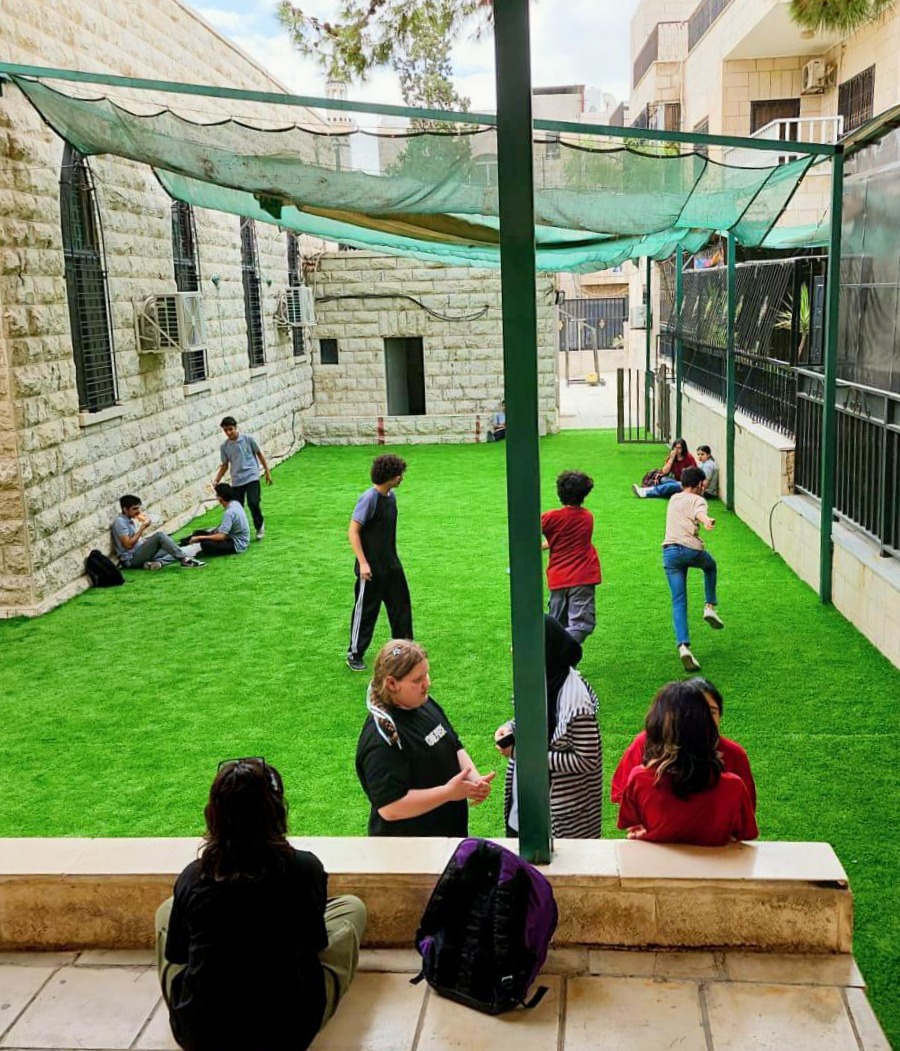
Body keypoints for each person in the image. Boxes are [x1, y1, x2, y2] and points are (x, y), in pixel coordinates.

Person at [155, 758, 366, 1051]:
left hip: (202, 1037)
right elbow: (316, 943)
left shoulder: (193, 877)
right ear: (276, 812)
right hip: (287, 1034)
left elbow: (178, 955)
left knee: (166, 911)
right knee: (352, 908)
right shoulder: (304, 869)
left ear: (214, 814)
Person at [356, 639, 495, 836]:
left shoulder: (422, 703)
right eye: (417, 680)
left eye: (426, 674)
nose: (427, 683)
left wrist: (474, 780)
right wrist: (448, 793)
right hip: (410, 850)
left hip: (446, 837)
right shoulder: (382, 739)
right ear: (392, 683)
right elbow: (390, 808)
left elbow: (453, 744)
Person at [494, 616, 602, 839]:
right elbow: (536, 718)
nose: (513, 650)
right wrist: (510, 727)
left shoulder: (577, 703)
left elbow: (587, 759)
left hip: (561, 820)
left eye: (522, 644)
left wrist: (522, 755)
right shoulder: (541, 679)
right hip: (527, 804)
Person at [617, 680, 758, 846]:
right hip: (715, 868)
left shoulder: (639, 778)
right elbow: (745, 831)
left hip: (654, 869)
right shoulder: (734, 786)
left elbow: (628, 822)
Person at [346, 455, 412, 672]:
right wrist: (363, 564)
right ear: (388, 476)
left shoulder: (391, 497)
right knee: (366, 611)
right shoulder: (369, 498)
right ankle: (355, 653)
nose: (401, 478)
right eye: (398, 474)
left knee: (401, 608)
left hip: (391, 565)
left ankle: (404, 651)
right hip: (371, 570)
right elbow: (353, 531)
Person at [662, 466, 724, 672]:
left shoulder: (674, 498)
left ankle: (683, 647)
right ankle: (709, 607)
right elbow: (699, 512)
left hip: (670, 553)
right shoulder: (699, 499)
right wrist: (707, 521)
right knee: (711, 566)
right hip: (690, 549)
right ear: (699, 484)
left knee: (678, 601)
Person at [541, 471, 602, 643]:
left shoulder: (550, 518)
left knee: (557, 624)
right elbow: (569, 539)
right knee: (581, 625)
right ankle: (553, 656)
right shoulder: (587, 517)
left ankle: (559, 664)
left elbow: (557, 539)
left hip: (558, 577)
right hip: (582, 576)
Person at [213, 416, 271, 541]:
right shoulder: (224, 447)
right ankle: (234, 532)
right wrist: (217, 479)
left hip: (251, 477)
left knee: (253, 502)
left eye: (230, 429)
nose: (228, 433)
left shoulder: (248, 439)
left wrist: (267, 471)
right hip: (237, 480)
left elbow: (259, 454)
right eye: (225, 430)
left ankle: (259, 525)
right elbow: (224, 465)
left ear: (235, 427)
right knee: (235, 507)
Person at [111, 495, 205, 570]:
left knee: (172, 547)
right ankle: (185, 560)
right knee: (160, 536)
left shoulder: (129, 520)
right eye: (134, 509)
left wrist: (144, 541)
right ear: (125, 509)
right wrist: (142, 528)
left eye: (138, 508)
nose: (138, 511)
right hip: (132, 559)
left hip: (140, 551)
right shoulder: (120, 522)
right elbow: (128, 545)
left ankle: (158, 563)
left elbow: (135, 540)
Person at [180, 483, 250, 557]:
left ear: (220, 497)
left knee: (206, 544)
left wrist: (199, 537)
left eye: (217, 494)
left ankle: (186, 551)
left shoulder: (229, 512)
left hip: (237, 544)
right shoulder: (235, 503)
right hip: (232, 537)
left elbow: (221, 536)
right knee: (198, 533)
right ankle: (182, 544)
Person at [632, 437, 698, 498]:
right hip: (677, 482)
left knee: (670, 486)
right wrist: (671, 459)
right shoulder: (672, 457)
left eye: (679, 448)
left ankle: (645, 492)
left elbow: (695, 474)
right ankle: (669, 490)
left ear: (683, 449)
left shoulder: (689, 458)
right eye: (675, 447)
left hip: (688, 484)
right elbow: (664, 471)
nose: (677, 450)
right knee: (663, 479)